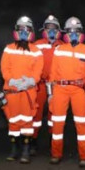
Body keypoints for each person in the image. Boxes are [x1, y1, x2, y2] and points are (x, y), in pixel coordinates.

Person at [47, 17, 85, 167]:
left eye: (77, 32)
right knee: (57, 123)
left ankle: (84, 157)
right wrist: (50, 93)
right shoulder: (59, 49)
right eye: (70, 32)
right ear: (65, 33)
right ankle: (56, 154)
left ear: (81, 33)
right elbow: (53, 73)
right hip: (60, 89)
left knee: (81, 123)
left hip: (79, 90)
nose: (73, 34)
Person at [1, 16, 43, 164]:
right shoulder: (9, 48)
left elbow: (38, 70)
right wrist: (11, 80)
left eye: (27, 29)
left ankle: (25, 150)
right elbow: (4, 68)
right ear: (16, 31)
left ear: (31, 32)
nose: (24, 32)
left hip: (28, 91)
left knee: (27, 121)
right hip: (12, 90)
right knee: (13, 120)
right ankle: (14, 149)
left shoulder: (36, 50)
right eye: (21, 29)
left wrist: (31, 81)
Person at [33, 14, 64, 155]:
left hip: (56, 85)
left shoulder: (64, 47)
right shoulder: (37, 45)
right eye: (48, 28)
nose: (51, 31)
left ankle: (53, 140)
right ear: (44, 30)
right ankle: (32, 141)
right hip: (39, 84)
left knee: (55, 113)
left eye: (54, 28)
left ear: (59, 30)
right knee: (36, 112)